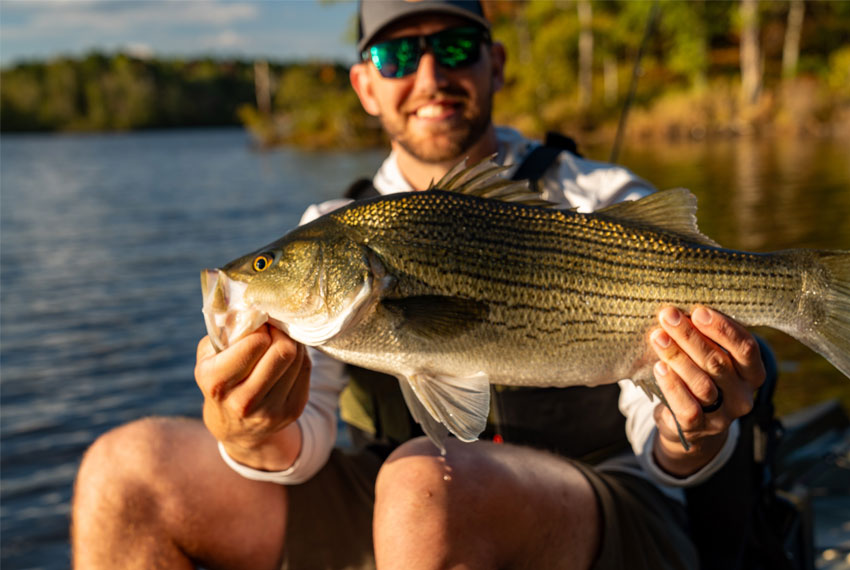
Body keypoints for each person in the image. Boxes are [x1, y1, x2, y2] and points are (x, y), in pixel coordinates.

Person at [71, 1, 766, 569]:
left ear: (495, 62)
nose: (429, 74)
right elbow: (302, 439)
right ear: (365, 85)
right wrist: (250, 434)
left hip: (607, 514)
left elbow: (668, 446)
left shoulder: (600, 198)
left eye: (455, 47)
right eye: (397, 56)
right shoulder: (330, 226)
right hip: (405, 510)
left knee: (420, 483)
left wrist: (694, 422)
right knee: (121, 473)